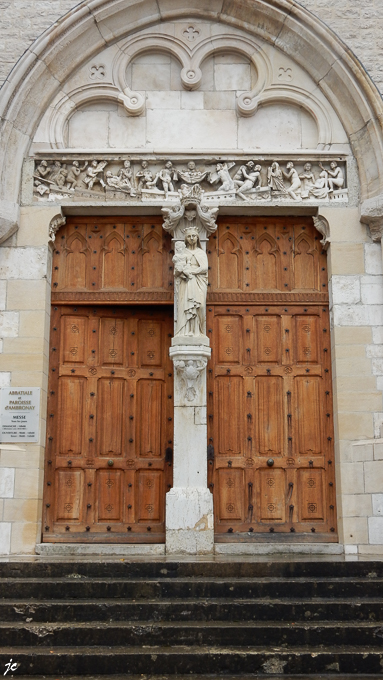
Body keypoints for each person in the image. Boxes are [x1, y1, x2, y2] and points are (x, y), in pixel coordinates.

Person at [173, 226, 208, 337]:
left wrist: (192, 271)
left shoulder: (201, 253)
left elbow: (204, 268)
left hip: (198, 281)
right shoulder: (182, 253)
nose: (191, 238)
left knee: (200, 306)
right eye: (189, 236)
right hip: (187, 282)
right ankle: (186, 332)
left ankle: (199, 332)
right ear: (185, 239)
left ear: (197, 238)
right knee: (185, 306)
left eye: (194, 236)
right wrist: (182, 272)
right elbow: (176, 272)